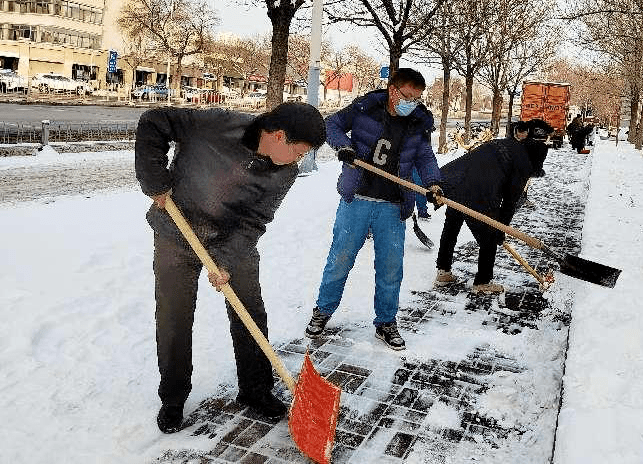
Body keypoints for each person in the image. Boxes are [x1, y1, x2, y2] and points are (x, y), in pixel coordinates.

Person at [135, 102, 326, 434]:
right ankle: (173, 398)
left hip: (232, 241)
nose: (299, 160)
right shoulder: (218, 124)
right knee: (173, 317)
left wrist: (225, 260)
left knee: (250, 312)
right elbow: (154, 121)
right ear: (279, 136)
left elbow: (255, 220)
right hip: (175, 234)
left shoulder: (285, 171)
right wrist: (155, 177)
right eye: (298, 152)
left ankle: (255, 390)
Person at [305, 68, 443, 351]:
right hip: (357, 198)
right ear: (393, 90)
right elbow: (331, 125)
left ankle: (386, 322)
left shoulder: (418, 122)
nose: (412, 103)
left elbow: (425, 156)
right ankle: (323, 310)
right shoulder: (365, 107)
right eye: (407, 97)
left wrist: (433, 184)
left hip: (392, 206)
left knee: (391, 269)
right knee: (339, 260)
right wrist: (343, 147)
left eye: (417, 99)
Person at [434, 120, 549, 294]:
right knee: (489, 236)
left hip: (456, 180)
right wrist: (500, 229)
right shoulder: (524, 163)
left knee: (452, 226)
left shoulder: (505, 143)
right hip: (480, 190)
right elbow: (510, 203)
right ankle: (482, 282)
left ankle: (443, 271)